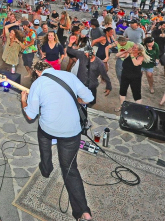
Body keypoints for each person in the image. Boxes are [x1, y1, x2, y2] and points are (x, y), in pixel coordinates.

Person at [21, 61, 94, 221]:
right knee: (70, 169)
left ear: (38, 72)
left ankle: (46, 169)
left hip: (49, 129)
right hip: (72, 131)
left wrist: (24, 100)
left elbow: (30, 116)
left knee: (44, 138)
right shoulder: (69, 76)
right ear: (50, 68)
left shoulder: (38, 83)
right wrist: (77, 100)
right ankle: (83, 211)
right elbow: (89, 97)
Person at [66, 35, 111, 106]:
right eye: (86, 54)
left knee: (91, 101)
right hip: (80, 83)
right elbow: (70, 51)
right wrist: (70, 43)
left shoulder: (99, 63)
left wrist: (108, 86)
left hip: (91, 85)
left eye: (89, 54)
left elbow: (104, 74)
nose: (87, 56)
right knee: (77, 100)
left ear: (93, 52)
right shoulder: (82, 55)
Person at [116, 44, 148, 111]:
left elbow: (135, 63)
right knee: (122, 91)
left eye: (135, 48)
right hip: (125, 75)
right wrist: (125, 51)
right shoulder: (127, 54)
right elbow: (117, 55)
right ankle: (122, 107)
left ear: (139, 50)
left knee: (136, 93)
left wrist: (132, 55)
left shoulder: (140, 57)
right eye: (133, 47)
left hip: (135, 78)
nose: (132, 48)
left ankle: (138, 109)